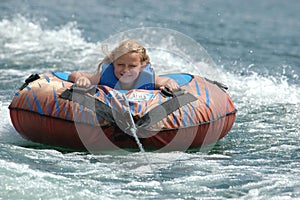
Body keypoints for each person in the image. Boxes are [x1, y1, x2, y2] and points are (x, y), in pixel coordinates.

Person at [68, 39, 179, 91]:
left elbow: (165, 81)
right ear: (113, 64)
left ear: (142, 67)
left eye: (132, 66)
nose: (126, 70)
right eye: (120, 64)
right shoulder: (104, 76)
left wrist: (170, 83)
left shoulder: (148, 78)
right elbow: (74, 75)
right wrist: (81, 79)